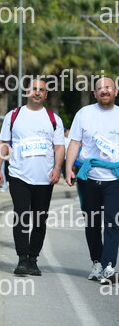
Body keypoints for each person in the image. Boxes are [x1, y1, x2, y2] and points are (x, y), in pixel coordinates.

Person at [0, 78, 64, 276]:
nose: (37, 92)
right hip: (19, 175)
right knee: (21, 215)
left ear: (46, 94)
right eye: (34, 89)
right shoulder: (13, 115)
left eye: (41, 90)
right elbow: (4, 143)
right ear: (26, 92)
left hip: (44, 178)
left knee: (39, 220)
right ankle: (22, 259)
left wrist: (58, 168)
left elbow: (59, 147)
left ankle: (33, 259)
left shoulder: (53, 119)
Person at [66, 77, 119, 284]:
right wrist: (68, 169)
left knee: (113, 222)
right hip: (89, 178)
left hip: (114, 178)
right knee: (92, 223)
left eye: (108, 87)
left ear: (116, 91)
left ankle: (108, 266)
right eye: (100, 88)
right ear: (94, 93)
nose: (104, 91)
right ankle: (97, 262)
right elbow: (75, 142)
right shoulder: (84, 114)